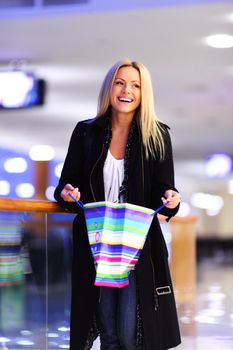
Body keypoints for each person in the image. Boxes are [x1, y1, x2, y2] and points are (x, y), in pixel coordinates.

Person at [54, 59, 181, 350]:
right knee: (107, 330)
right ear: (109, 88)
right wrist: (67, 192)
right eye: (120, 83)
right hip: (96, 243)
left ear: (143, 92)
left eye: (135, 85)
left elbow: (166, 190)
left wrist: (172, 199)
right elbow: (66, 183)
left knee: (129, 331)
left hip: (136, 244)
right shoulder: (86, 132)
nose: (127, 90)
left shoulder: (157, 135)